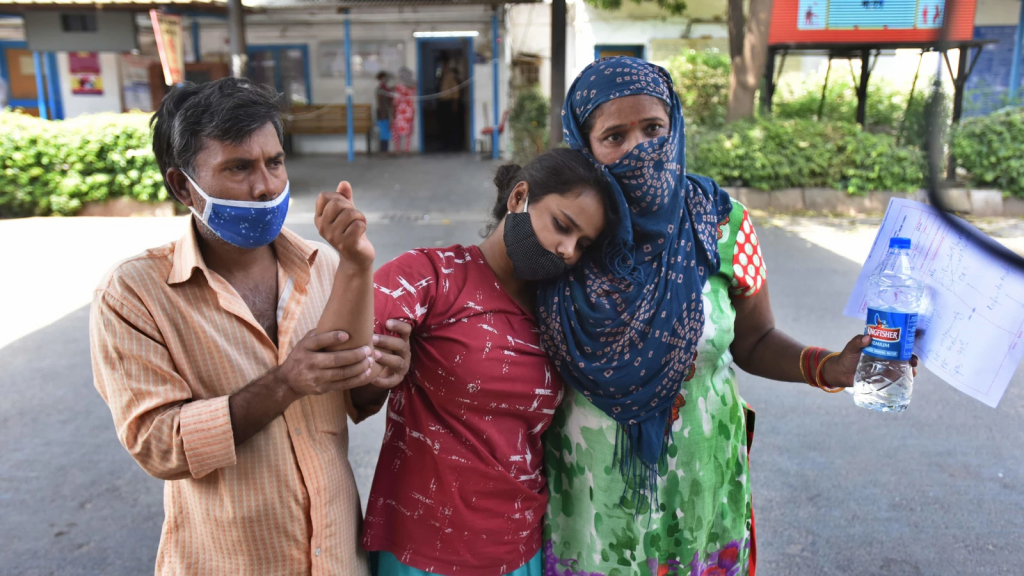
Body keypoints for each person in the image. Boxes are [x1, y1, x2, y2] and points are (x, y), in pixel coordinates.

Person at [536, 57, 918, 575]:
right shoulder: (558, 230)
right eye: (614, 137)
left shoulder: (721, 223)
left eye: (653, 129)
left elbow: (755, 340)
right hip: (588, 500)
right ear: (584, 146)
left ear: (675, 128)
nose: (640, 150)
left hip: (701, 484)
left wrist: (831, 367)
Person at [89, 77, 412, 575]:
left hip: (338, 559)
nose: (266, 186)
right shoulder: (134, 294)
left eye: (274, 162)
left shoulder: (324, 266)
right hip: (229, 561)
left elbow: (352, 401)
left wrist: (382, 376)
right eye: (239, 167)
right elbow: (160, 444)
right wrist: (285, 383)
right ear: (182, 186)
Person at [312, 148, 613, 576]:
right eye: (562, 226)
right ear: (519, 197)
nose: (567, 250)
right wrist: (355, 266)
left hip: (519, 549)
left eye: (583, 244)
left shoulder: (561, 314)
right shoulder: (431, 276)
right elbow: (342, 367)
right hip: (422, 550)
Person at [391, 67, 417, 154]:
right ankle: (407, 149)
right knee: (408, 132)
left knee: (395, 130)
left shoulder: (399, 86)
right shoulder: (413, 86)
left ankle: (397, 149)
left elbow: (396, 100)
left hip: (401, 111)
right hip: (410, 110)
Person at [376, 71, 393, 153]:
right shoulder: (380, 89)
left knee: (385, 132)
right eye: (383, 78)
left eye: (386, 78)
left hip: (385, 113)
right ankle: (383, 151)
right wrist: (383, 114)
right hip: (382, 113)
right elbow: (381, 103)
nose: (385, 79)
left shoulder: (386, 89)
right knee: (384, 132)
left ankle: (384, 150)